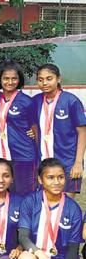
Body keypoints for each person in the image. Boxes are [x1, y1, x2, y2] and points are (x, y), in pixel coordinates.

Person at [16, 158, 84, 259]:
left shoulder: (73, 208)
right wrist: (41, 255)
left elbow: (73, 251)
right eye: (50, 177)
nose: (56, 182)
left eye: (60, 177)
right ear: (41, 179)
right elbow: (23, 237)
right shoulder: (30, 201)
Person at [34, 64, 86, 197]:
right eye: (40, 79)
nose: (44, 83)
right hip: (43, 164)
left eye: (49, 78)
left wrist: (78, 163)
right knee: (45, 209)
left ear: (58, 79)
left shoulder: (71, 101)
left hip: (67, 164)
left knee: (65, 208)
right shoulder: (35, 102)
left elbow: (82, 132)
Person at [0, 61, 38, 195]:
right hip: (2, 157)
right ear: (0, 79)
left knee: (25, 195)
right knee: (5, 196)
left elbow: (36, 128)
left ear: (19, 79)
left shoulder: (27, 101)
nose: (10, 82)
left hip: (23, 157)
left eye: (14, 78)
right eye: (6, 78)